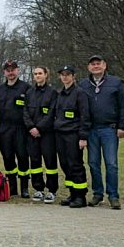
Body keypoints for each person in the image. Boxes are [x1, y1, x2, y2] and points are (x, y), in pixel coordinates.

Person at [79, 55, 124, 209]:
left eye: (98, 64)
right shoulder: (83, 84)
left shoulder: (116, 82)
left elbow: (123, 106)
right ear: (88, 68)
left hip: (110, 129)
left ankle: (113, 196)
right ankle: (97, 194)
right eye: (92, 64)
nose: (96, 66)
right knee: (93, 163)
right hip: (91, 129)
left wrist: (122, 126)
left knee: (111, 164)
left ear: (104, 65)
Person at [0, 60, 31, 198]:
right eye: (8, 70)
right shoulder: (0, 89)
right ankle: (13, 187)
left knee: (22, 157)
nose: (10, 72)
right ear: (4, 72)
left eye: (13, 69)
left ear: (18, 70)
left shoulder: (26, 88)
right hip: (4, 129)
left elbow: (31, 109)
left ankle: (25, 187)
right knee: (8, 157)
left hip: (21, 129)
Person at [54, 65, 91, 208]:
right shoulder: (60, 93)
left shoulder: (80, 93)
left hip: (73, 134)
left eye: (68, 74)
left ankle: (80, 196)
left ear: (73, 76)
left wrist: (83, 136)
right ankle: (72, 193)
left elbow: (85, 116)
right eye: (62, 74)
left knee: (75, 164)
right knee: (64, 164)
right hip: (60, 134)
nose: (65, 77)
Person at [23, 66, 58, 204]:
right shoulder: (29, 92)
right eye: (35, 74)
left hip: (47, 133)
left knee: (50, 162)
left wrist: (39, 128)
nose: (37, 76)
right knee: (35, 162)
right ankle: (38, 188)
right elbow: (25, 111)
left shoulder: (53, 93)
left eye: (40, 73)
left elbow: (51, 113)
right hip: (31, 134)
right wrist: (31, 127)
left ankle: (52, 190)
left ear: (46, 75)